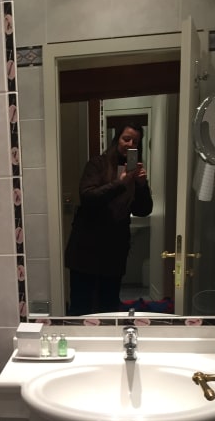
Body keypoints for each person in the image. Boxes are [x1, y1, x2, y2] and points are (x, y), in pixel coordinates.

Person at [64, 122, 153, 315]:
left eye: (135, 142)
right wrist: (120, 183)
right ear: (117, 139)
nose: (130, 144)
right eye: (126, 139)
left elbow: (143, 210)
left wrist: (141, 185)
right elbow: (88, 197)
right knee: (81, 307)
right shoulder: (98, 164)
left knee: (109, 307)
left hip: (114, 252)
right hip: (86, 250)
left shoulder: (134, 173)